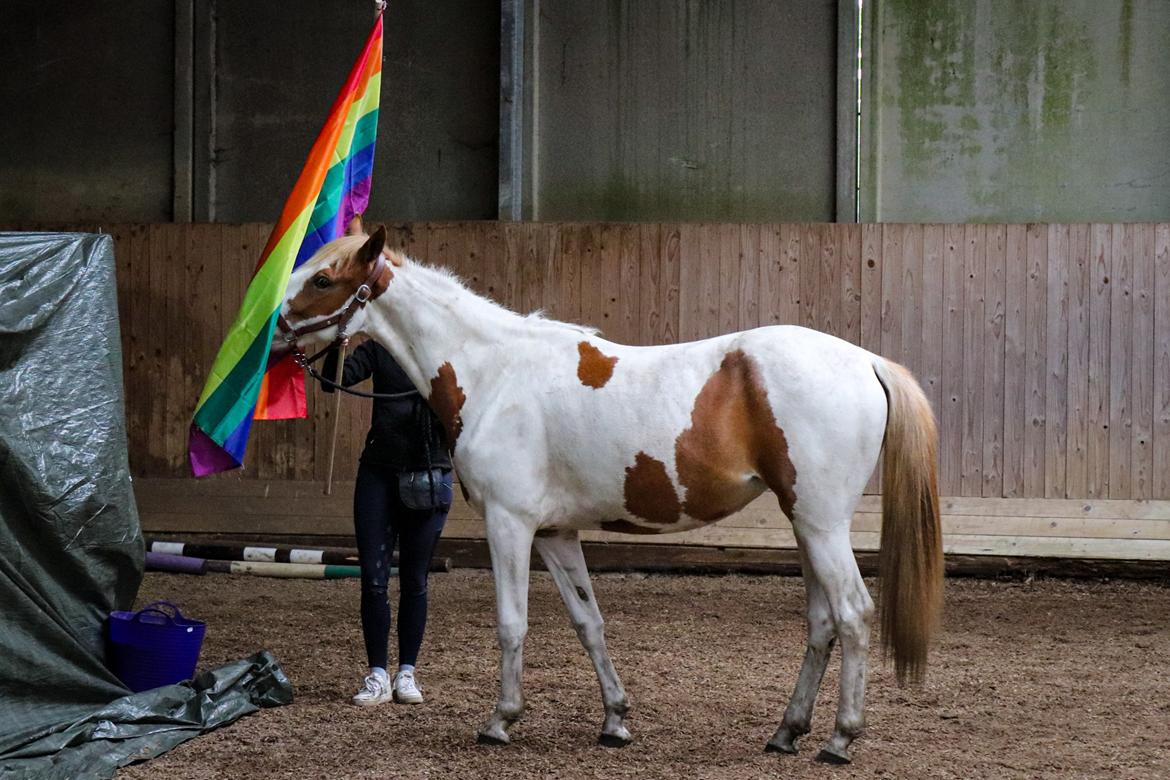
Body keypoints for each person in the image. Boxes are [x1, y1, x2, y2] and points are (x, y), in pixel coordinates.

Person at [320, 339, 453, 706]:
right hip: (378, 474)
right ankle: (378, 673)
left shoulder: (444, 345)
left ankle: (407, 671)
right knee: (374, 580)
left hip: (429, 471)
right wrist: (337, 344)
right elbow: (333, 381)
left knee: (415, 580)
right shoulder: (380, 348)